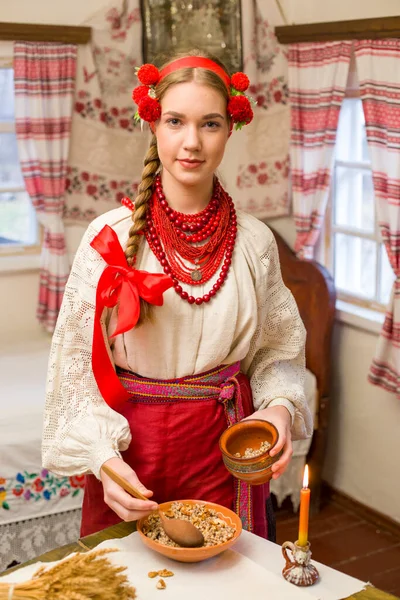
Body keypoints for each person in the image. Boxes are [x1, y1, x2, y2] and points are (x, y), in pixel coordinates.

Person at [42, 50, 312, 541]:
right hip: (130, 461)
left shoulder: (254, 242)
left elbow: (278, 350)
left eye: (209, 123)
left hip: (225, 451)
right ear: (154, 126)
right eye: (175, 121)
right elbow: (76, 367)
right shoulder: (110, 239)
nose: (192, 142)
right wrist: (102, 459)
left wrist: (278, 405)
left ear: (231, 129)